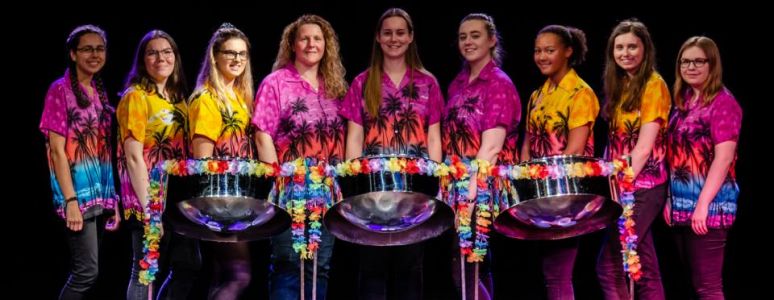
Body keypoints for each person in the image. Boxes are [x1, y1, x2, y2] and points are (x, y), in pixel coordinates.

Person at [339, 8, 443, 300]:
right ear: (377, 37)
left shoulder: (427, 82)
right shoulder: (362, 82)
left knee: (410, 270)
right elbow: (355, 137)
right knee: (371, 270)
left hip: (415, 194)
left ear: (410, 38)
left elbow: (433, 136)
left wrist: (434, 186)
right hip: (373, 193)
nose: (393, 38)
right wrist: (351, 188)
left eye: (400, 32)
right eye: (387, 32)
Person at [252, 14, 348, 300]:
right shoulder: (276, 83)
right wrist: (279, 181)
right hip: (289, 191)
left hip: (327, 192)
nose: (311, 44)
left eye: (317, 38)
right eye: (304, 38)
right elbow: (262, 134)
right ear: (292, 44)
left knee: (321, 266)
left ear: (326, 45)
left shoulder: (335, 87)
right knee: (289, 266)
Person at [116, 29, 201, 300]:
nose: (160, 58)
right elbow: (132, 156)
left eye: (167, 52)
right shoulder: (136, 96)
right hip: (148, 195)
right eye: (152, 52)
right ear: (143, 60)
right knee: (145, 271)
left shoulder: (178, 99)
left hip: (178, 195)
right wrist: (149, 210)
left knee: (188, 264)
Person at [442, 13, 521, 300]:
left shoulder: (498, 83)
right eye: (463, 37)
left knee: (466, 262)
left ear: (492, 40)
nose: (468, 41)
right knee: (473, 263)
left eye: (475, 35)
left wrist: (471, 193)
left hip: (482, 185)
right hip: (457, 183)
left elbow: (491, 147)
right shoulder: (457, 83)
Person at [39, 24, 120, 300]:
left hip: (99, 194)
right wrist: (70, 200)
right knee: (86, 272)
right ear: (73, 54)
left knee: (92, 272)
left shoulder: (99, 92)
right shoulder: (59, 90)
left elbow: (104, 151)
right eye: (87, 49)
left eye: (100, 49)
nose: (95, 54)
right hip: (77, 194)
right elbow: (57, 151)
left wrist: (113, 201)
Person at [519, 24, 599, 300]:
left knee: (558, 272)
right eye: (538, 51)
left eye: (549, 50)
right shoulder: (537, 95)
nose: (542, 56)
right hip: (539, 194)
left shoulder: (580, 93)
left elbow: (575, 149)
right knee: (548, 272)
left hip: (566, 194)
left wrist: (551, 191)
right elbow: (527, 145)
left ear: (567, 51)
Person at [596, 19, 669, 300]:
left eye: (632, 47)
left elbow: (643, 147)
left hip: (644, 186)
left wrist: (622, 185)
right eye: (619, 47)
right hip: (622, 186)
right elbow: (615, 142)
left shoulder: (653, 85)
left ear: (645, 49)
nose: (625, 53)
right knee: (644, 265)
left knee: (610, 264)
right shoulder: (621, 84)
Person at [666, 36, 741, 300]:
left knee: (707, 287)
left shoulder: (723, 103)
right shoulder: (682, 101)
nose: (691, 67)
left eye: (699, 61)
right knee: (691, 283)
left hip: (709, 206)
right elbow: (674, 156)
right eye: (685, 61)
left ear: (712, 64)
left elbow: (723, 159)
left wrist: (702, 205)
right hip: (680, 206)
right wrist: (669, 200)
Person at [188, 23, 256, 299]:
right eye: (230, 53)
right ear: (215, 56)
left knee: (220, 274)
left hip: (237, 197)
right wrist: (211, 207)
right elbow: (202, 160)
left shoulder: (240, 98)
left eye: (242, 54)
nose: (237, 59)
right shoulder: (207, 99)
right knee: (240, 275)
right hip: (216, 198)